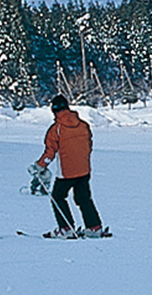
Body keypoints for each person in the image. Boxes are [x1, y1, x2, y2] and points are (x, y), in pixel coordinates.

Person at [36, 94, 108, 238]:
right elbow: (89, 145)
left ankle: (66, 228)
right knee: (83, 197)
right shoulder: (83, 125)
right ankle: (94, 227)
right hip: (84, 169)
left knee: (57, 196)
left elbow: (50, 152)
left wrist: (40, 166)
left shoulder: (56, 129)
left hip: (67, 171)